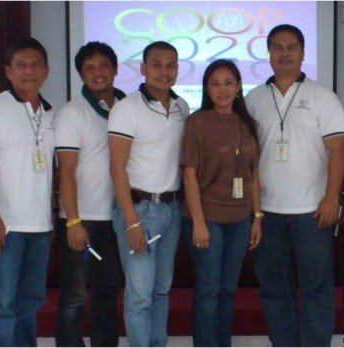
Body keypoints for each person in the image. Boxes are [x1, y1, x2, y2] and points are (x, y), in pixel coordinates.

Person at [244, 24, 344, 347]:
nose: (284, 54)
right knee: (275, 288)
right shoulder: (253, 98)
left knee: (317, 288)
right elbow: (246, 158)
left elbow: (338, 149)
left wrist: (332, 197)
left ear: (303, 53)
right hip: (268, 213)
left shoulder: (322, 97)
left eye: (292, 47)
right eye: (277, 47)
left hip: (312, 211)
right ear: (269, 54)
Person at [0, 37, 56, 347]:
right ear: (8, 71)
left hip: (39, 227)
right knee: (3, 305)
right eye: (21, 65)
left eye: (36, 65)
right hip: (4, 227)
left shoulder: (50, 112)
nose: (29, 71)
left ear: (46, 71)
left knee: (31, 301)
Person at [107, 41, 189, 347]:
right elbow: (117, 169)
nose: (164, 72)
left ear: (178, 70)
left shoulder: (182, 106)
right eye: (156, 64)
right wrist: (130, 221)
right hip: (139, 210)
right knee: (140, 295)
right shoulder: (127, 108)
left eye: (171, 65)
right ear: (143, 69)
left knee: (161, 290)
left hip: (171, 209)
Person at [180, 59, 263, 347]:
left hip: (240, 220)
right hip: (208, 220)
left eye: (228, 82)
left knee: (228, 289)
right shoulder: (197, 122)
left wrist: (257, 217)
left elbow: (253, 174)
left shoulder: (248, 124)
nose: (222, 89)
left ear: (239, 87)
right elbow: (189, 173)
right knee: (208, 290)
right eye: (214, 83)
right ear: (205, 88)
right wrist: (199, 223)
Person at [53, 41, 125, 347]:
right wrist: (73, 221)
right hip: (82, 219)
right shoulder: (72, 112)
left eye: (104, 65)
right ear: (81, 74)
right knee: (73, 297)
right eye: (90, 68)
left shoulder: (128, 105)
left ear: (115, 69)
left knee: (108, 292)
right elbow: (66, 171)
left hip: (117, 217)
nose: (98, 73)